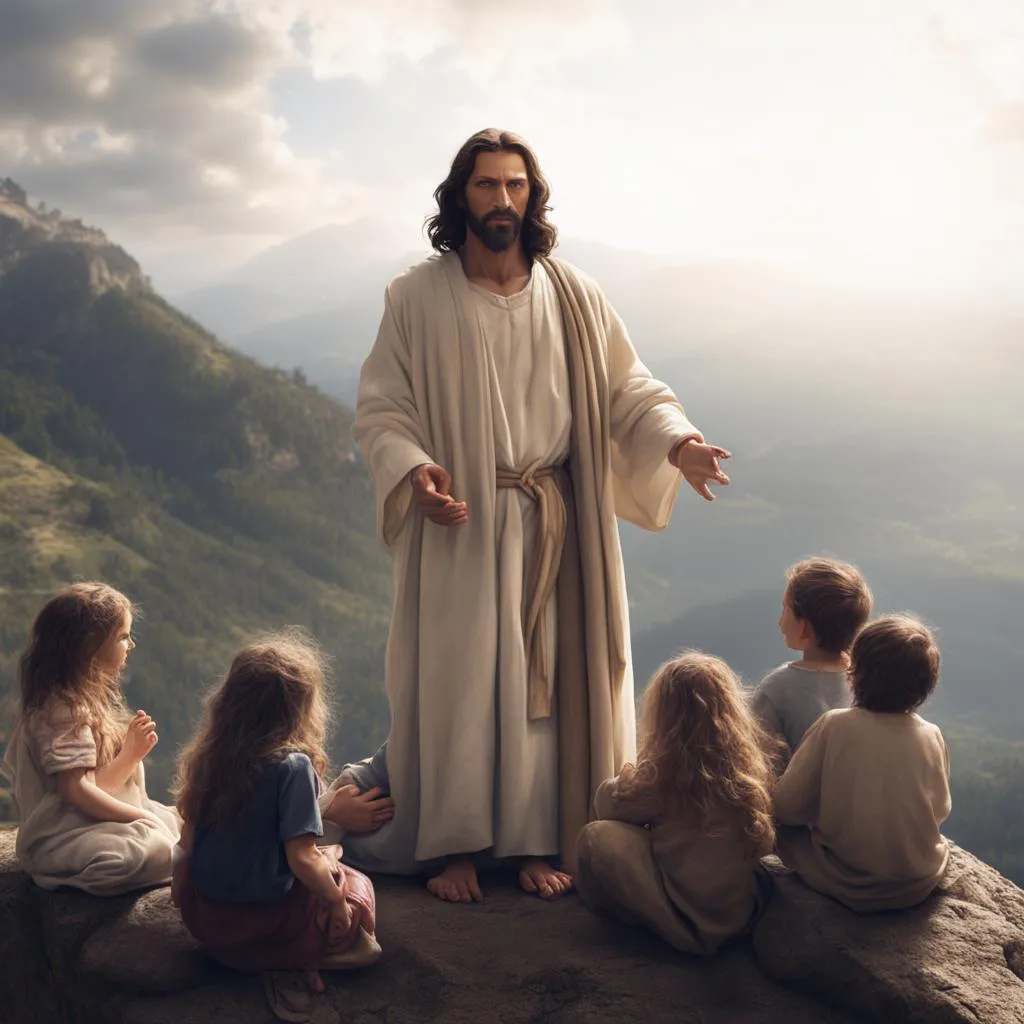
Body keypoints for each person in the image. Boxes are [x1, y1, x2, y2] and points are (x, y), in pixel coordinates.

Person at [335, 127, 731, 904]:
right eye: (487, 185)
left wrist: (677, 441)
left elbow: (629, 389)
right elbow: (384, 408)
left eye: (516, 185)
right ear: (460, 196)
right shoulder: (415, 296)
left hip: (557, 519)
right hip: (462, 521)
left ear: (533, 196)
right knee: (456, 681)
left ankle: (533, 843)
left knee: (544, 688)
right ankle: (451, 848)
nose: (503, 200)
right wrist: (414, 471)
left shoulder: (573, 295)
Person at [171, 632, 381, 996]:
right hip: (268, 923)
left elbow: (185, 842)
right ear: (298, 710)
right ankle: (304, 951)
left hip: (207, 924)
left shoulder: (210, 758)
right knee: (354, 885)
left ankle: (270, 954)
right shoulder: (292, 767)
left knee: (326, 861)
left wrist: (181, 886)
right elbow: (300, 857)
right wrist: (334, 900)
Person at [575, 652, 778, 955]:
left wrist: (631, 777)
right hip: (739, 915)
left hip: (688, 917)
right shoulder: (750, 770)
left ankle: (647, 922)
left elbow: (606, 805)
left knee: (597, 835)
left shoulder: (663, 776)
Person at [0, 582, 179, 894]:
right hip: (64, 835)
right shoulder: (64, 710)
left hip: (87, 823)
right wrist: (132, 770)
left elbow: (96, 787)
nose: (131, 645)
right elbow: (77, 793)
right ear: (89, 646)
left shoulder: (76, 702)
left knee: (185, 827)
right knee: (162, 848)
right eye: (123, 636)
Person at [773, 615, 952, 912]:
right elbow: (940, 809)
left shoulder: (834, 725)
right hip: (917, 881)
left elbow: (787, 808)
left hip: (847, 882)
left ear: (855, 673)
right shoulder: (931, 734)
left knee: (781, 834)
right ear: (926, 685)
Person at [752, 558, 872, 765]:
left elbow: (760, 764)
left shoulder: (776, 690)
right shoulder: (869, 681)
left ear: (805, 627)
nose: (780, 620)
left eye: (785, 609)